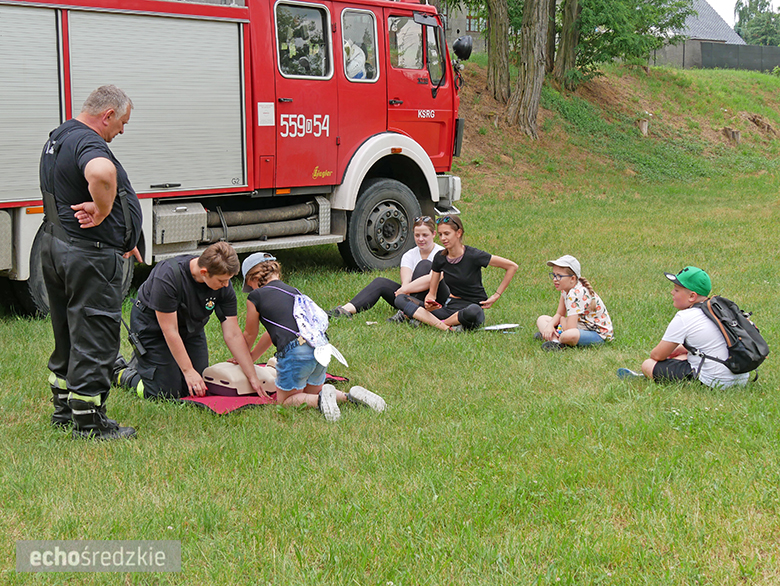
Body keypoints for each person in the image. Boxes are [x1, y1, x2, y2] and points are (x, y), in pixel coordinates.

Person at [39, 85, 143, 440]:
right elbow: (101, 173)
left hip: (59, 246)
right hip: (88, 254)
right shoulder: (90, 143)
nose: (122, 132)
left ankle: (64, 408)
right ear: (107, 115)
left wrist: (124, 239)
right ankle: (90, 422)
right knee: (95, 334)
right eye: (122, 123)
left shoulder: (59, 136)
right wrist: (103, 211)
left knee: (67, 331)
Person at [241, 252, 386, 422]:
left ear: (253, 278)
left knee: (286, 400)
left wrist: (242, 356)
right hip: (321, 348)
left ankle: (320, 401)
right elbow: (270, 333)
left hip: (295, 352)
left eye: (249, 285)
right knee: (313, 391)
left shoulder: (255, 297)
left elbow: (250, 333)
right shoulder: (294, 292)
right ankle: (349, 396)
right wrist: (251, 358)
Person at [113, 242, 266, 400]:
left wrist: (252, 376)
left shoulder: (223, 286)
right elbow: (170, 330)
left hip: (190, 329)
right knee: (165, 393)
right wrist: (188, 371)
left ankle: (154, 365)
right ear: (204, 272)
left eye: (229, 280)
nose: (226, 285)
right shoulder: (168, 276)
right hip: (154, 329)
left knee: (197, 387)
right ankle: (121, 371)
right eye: (222, 281)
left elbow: (233, 334)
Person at [617, 266, 749, 388]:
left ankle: (649, 375)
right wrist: (682, 349)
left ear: (692, 296)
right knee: (682, 356)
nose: (672, 292)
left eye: (676, 289)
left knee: (648, 364)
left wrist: (671, 353)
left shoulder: (685, 317)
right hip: (741, 377)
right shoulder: (721, 310)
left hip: (715, 381)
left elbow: (657, 355)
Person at [392, 215, 517, 331]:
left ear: (459, 233)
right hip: (449, 307)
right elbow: (431, 294)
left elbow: (512, 266)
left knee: (473, 311)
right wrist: (429, 302)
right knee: (401, 299)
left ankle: (433, 322)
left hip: (471, 308)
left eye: (447, 234)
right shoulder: (440, 258)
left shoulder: (474, 255)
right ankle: (446, 327)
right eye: (440, 234)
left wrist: (496, 295)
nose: (443, 238)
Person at [328, 215, 449, 322]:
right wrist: (403, 291)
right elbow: (406, 282)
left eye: (425, 235)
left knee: (425, 264)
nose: (421, 239)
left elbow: (433, 279)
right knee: (380, 282)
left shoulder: (441, 253)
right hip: (412, 296)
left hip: (436, 299)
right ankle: (344, 311)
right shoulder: (409, 255)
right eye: (417, 235)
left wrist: (404, 291)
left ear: (433, 234)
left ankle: (407, 313)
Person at [535, 255, 614, 351]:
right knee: (542, 319)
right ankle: (554, 340)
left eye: (559, 276)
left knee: (568, 335)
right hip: (580, 326)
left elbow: (570, 328)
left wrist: (563, 320)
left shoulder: (575, 294)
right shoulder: (565, 289)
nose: (555, 279)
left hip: (597, 334)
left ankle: (552, 337)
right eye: (554, 275)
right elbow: (559, 313)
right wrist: (550, 325)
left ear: (572, 278)